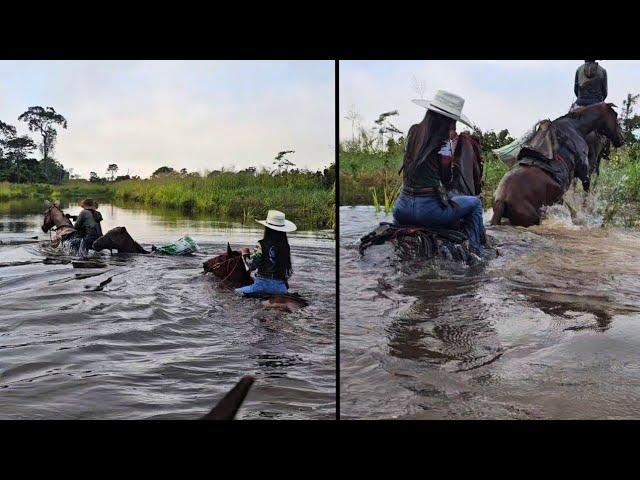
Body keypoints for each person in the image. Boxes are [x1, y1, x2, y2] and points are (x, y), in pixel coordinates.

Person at [392, 90, 485, 255]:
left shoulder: (413, 132)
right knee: (475, 204)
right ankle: (476, 252)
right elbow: (446, 178)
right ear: (448, 121)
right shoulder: (444, 143)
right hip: (428, 212)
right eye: (453, 122)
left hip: (402, 209)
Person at [235, 210, 295, 295]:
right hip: (282, 288)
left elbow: (251, 266)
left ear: (267, 228)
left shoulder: (261, 244)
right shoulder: (286, 246)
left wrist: (245, 254)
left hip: (262, 286)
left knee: (235, 292)